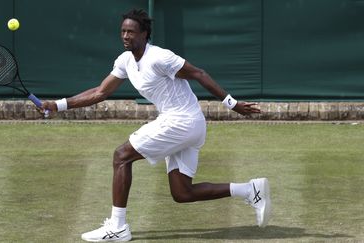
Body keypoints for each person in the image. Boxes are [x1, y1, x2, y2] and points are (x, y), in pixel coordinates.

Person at [41, 9, 271, 242]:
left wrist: (231, 104)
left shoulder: (160, 57)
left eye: (131, 31)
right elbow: (100, 92)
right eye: (123, 31)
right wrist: (58, 105)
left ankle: (118, 226)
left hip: (182, 121)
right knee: (182, 192)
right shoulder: (125, 61)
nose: (125, 36)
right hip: (185, 124)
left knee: (121, 156)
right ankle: (250, 190)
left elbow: (199, 73)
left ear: (144, 34)